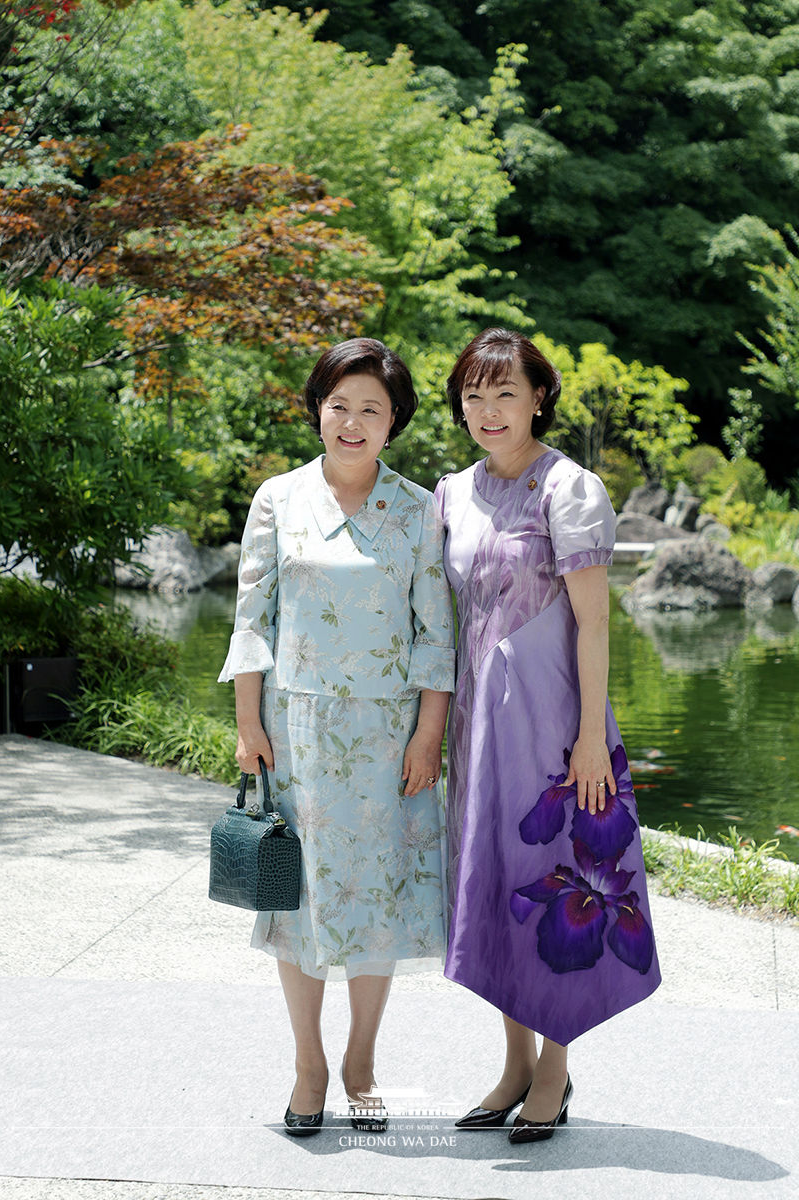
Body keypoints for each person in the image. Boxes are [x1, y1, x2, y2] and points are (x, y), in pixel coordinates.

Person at [218, 338, 454, 1137]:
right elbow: (253, 618)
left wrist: (430, 733)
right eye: (340, 405)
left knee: (376, 899)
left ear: (395, 423)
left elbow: (435, 634)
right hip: (298, 731)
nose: (353, 423)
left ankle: (361, 1062)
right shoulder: (277, 500)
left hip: (389, 737)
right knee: (301, 900)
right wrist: (249, 723)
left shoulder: (419, 509)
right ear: (319, 407)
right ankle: (308, 1066)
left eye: (372, 410)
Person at [435, 327, 661, 1145]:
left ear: (539, 397)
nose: (488, 410)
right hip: (478, 724)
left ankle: (555, 1069)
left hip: (555, 717)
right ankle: (513, 1063)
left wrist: (591, 738)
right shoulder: (452, 492)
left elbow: (594, 624)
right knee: (496, 885)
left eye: (505, 393)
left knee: (557, 880)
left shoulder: (569, 488)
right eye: (473, 395)